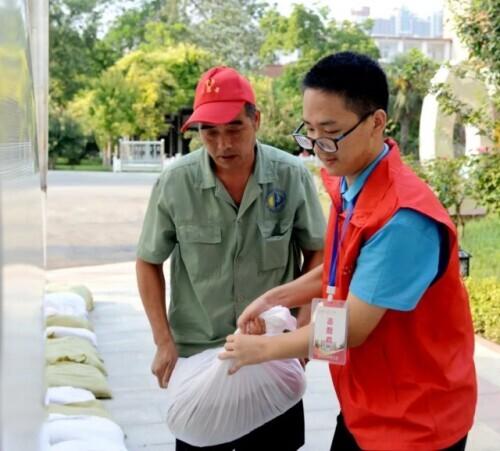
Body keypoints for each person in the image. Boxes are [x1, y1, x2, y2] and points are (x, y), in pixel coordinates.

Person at [220, 52, 477, 451]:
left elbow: (350, 329)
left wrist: (264, 350)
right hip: (370, 401)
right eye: (309, 131)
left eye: (331, 132)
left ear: (376, 122)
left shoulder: (404, 219)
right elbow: (343, 271)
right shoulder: (351, 181)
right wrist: (276, 297)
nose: (319, 147)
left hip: (415, 421)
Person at [136, 66, 326, 450]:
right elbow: (148, 261)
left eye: (234, 128)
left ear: (256, 120)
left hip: (271, 351)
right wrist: (163, 341)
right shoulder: (176, 183)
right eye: (209, 131)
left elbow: (318, 252)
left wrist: (303, 328)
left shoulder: (291, 177)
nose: (222, 143)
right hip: (200, 352)